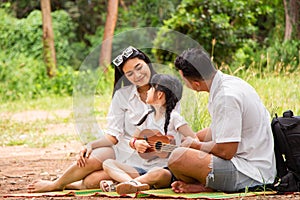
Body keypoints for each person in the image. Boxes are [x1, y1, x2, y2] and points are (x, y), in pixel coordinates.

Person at [27, 46, 159, 192]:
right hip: (123, 150)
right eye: (130, 73)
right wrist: (91, 144)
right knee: (94, 156)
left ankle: (75, 184)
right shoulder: (122, 95)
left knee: (92, 180)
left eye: (139, 67)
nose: (137, 75)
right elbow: (114, 136)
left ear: (147, 62)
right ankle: (56, 184)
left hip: (149, 156)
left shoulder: (166, 90)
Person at [166, 47, 276, 193]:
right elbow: (217, 130)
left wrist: (195, 145)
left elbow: (226, 151)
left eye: (183, 80)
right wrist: (194, 138)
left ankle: (209, 186)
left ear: (196, 84)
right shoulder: (227, 83)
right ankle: (206, 185)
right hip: (246, 162)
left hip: (249, 172)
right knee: (183, 149)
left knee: (176, 158)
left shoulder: (226, 97)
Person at [101, 74, 197, 194]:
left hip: (164, 170)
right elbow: (133, 139)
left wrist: (181, 148)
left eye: (151, 88)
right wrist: (136, 143)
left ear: (160, 94)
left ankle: (125, 184)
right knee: (108, 163)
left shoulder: (174, 118)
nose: (147, 91)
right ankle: (135, 184)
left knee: (157, 173)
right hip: (141, 168)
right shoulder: (147, 117)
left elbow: (194, 139)